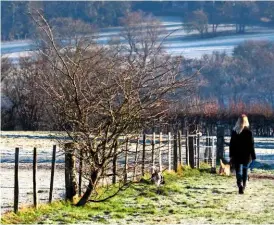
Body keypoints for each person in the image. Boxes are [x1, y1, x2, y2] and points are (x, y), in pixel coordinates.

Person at [229, 114, 256, 194]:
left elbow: (231, 145)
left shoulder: (234, 132)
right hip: (246, 156)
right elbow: (251, 145)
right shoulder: (249, 132)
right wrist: (253, 156)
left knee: (238, 171)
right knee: (245, 171)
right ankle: (243, 186)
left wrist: (231, 155)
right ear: (246, 121)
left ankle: (239, 184)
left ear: (238, 121)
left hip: (236, 155)